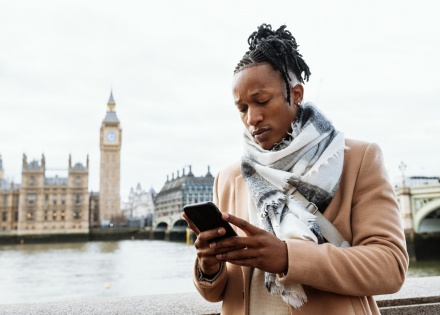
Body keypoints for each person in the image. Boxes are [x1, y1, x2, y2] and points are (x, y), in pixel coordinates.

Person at [183, 23, 408, 315]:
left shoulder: (357, 159)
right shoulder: (229, 179)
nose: (252, 117)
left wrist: (288, 258)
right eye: (242, 108)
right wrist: (209, 267)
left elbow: (390, 266)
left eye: (262, 101)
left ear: (296, 93)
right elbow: (219, 292)